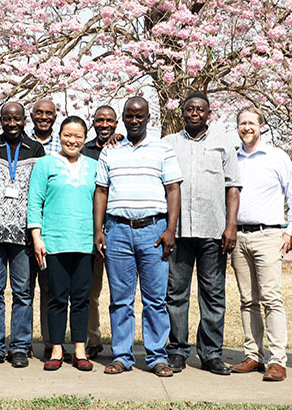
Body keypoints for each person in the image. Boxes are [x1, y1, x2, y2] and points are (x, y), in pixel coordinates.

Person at [93, 96, 182, 377]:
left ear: (148, 119)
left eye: (139, 116)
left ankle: (156, 356)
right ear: (123, 118)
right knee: (120, 299)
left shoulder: (162, 149)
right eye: (129, 116)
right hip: (117, 230)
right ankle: (121, 355)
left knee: (155, 299)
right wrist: (99, 230)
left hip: (154, 231)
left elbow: (173, 190)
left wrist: (170, 229)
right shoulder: (111, 151)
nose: (134, 120)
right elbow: (101, 191)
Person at [164, 92, 242, 375]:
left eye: (200, 109)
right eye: (189, 109)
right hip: (179, 231)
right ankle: (177, 351)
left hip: (213, 231)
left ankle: (211, 354)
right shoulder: (168, 144)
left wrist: (230, 225)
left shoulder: (223, 145)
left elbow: (233, 187)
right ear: (182, 113)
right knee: (175, 293)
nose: (195, 113)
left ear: (209, 114)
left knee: (213, 294)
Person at [0, 102, 45, 368]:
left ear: (25, 120)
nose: (12, 123)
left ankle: (20, 348)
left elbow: (40, 192)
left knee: (24, 292)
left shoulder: (36, 150)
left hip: (23, 234)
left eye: (17, 119)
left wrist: (37, 231)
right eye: (7, 119)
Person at [228, 106, 292, 382]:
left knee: (271, 298)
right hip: (239, 237)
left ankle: (277, 360)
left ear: (262, 127)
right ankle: (253, 355)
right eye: (242, 123)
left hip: (268, 235)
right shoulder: (232, 159)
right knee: (247, 300)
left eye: (252, 123)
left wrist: (290, 232)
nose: (247, 128)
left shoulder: (277, 157)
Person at [28, 116, 98, 372]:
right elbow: (35, 202)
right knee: (57, 297)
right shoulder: (45, 164)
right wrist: (37, 237)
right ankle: (56, 349)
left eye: (78, 136)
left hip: (84, 242)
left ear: (84, 138)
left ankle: (80, 349)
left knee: (81, 299)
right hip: (54, 242)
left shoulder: (93, 166)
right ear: (60, 135)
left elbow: (101, 203)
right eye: (68, 135)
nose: (73, 140)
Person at [79, 105, 118, 360]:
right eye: (100, 120)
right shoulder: (83, 151)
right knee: (90, 291)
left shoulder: (123, 147)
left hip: (117, 228)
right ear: (93, 123)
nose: (105, 125)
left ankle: (122, 343)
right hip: (90, 230)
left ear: (116, 124)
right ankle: (93, 339)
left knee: (120, 291)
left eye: (109, 121)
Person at [28, 98, 60, 357]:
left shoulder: (65, 143)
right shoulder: (22, 142)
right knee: (23, 289)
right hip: (22, 226)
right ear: (32, 115)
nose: (44, 117)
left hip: (50, 227)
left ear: (55, 115)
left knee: (50, 288)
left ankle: (51, 344)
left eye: (48, 113)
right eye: (39, 112)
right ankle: (22, 343)